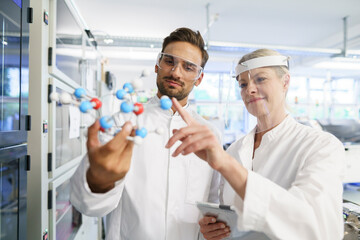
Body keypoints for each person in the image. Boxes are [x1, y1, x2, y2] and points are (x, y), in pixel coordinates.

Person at [166, 49, 345, 240]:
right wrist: (213, 228)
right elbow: (232, 217)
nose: (249, 89)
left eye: (260, 79)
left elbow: (317, 225)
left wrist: (227, 165)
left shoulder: (321, 146)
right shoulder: (236, 150)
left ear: (285, 82)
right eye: (243, 84)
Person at [70, 27, 221, 240]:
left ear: (199, 78)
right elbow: (87, 204)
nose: (176, 72)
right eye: (170, 61)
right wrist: (99, 181)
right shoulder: (124, 123)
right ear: (157, 65)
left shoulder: (209, 134)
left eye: (188, 67)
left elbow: (213, 202)